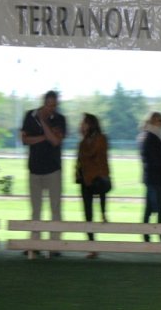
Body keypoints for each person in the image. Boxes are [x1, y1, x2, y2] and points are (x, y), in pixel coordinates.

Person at [21, 90, 67, 252]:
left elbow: (55, 141)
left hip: (53, 170)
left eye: (54, 105)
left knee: (55, 208)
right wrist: (44, 136)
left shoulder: (60, 119)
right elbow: (24, 139)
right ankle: (34, 244)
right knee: (35, 209)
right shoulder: (29, 116)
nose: (52, 109)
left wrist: (43, 122)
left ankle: (54, 245)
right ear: (43, 102)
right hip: (34, 169)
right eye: (49, 105)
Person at [75, 113, 110, 257]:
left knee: (92, 209)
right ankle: (92, 247)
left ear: (91, 124)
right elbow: (80, 162)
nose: (81, 126)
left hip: (97, 179)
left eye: (84, 123)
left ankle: (103, 213)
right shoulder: (83, 142)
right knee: (88, 215)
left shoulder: (100, 139)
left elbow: (91, 154)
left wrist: (84, 140)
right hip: (85, 180)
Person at [139, 112, 161, 242]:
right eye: (159, 121)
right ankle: (157, 235)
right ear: (153, 122)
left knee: (151, 207)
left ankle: (148, 234)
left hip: (155, 178)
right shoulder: (151, 137)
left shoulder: (152, 136)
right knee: (157, 207)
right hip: (155, 179)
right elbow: (155, 160)